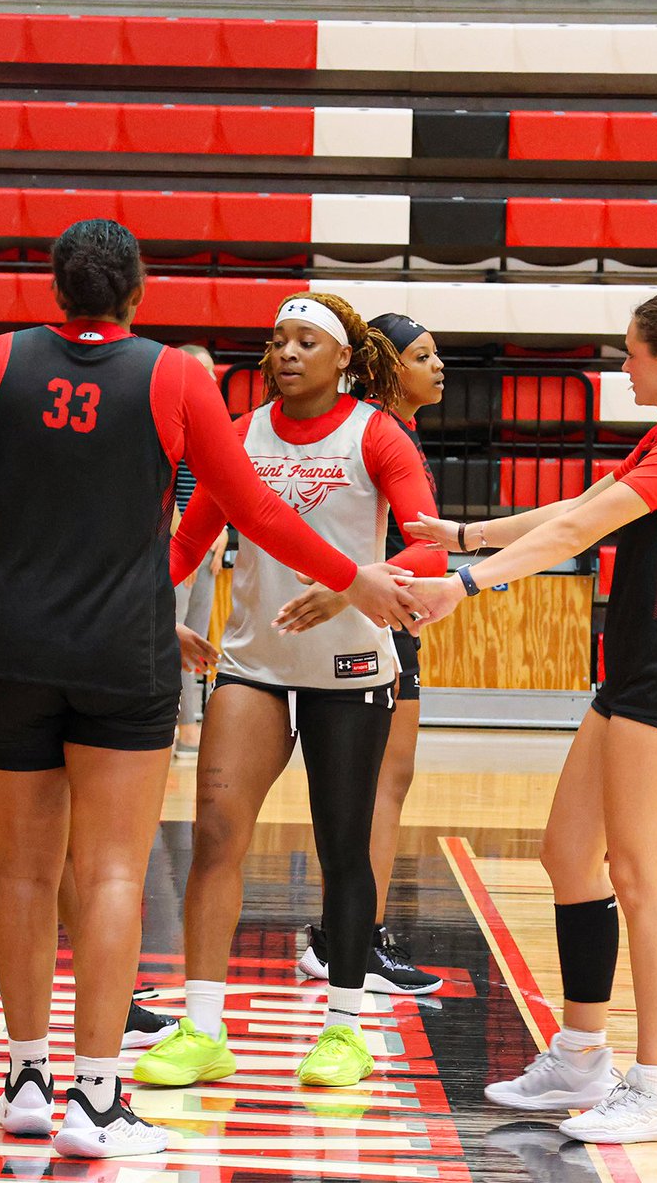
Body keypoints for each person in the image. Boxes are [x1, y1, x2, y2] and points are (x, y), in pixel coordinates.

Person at [0, 222, 424, 1158]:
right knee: (107, 872)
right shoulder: (174, 376)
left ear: (60, 290)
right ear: (137, 290)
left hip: (5, 652)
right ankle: (97, 1101)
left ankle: (26, 1081)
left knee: (20, 867)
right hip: (116, 654)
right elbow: (253, 509)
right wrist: (355, 574)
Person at [403, 291, 657, 1144]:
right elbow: (582, 505)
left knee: (640, 876)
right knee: (567, 852)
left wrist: (461, 586)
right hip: (634, 678)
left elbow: (586, 522)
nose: (622, 365)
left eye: (630, 351)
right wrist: (468, 538)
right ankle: (582, 1051)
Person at [133, 292, 447, 1092]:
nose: (287, 352)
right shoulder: (239, 434)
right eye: (277, 340)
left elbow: (427, 555)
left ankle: (344, 1025)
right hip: (254, 664)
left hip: (350, 668)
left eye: (306, 340)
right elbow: (189, 543)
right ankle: (203, 1025)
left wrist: (347, 590)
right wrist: (143, 610)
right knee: (215, 833)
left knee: (343, 850)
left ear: (344, 357)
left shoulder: (377, 434)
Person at [0, 525, 180, 1065]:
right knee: (19, 851)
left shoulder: (11, 452)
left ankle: (113, 999)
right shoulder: (66, 459)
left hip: (31, 660)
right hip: (41, 661)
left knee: (53, 848)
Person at [288, 313, 445, 995]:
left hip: (381, 615)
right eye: (422, 355)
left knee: (387, 782)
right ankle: (350, 937)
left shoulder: (392, 433)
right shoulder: (379, 435)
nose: (438, 367)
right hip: (365, 620)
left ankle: (349, 931)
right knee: (380, 783)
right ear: (386, 366)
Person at [172, 345, 228, 757]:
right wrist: (185, 541)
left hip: (206, 544)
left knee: (196, 637)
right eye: (199, 370)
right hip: (175, 545)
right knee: (172, 637)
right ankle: (182, 726)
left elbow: (222, 483)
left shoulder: (216, 422)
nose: (208, 377)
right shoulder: (170, 416)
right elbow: (164, 487)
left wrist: (221, 530)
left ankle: (188, 724)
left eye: (212, 370)